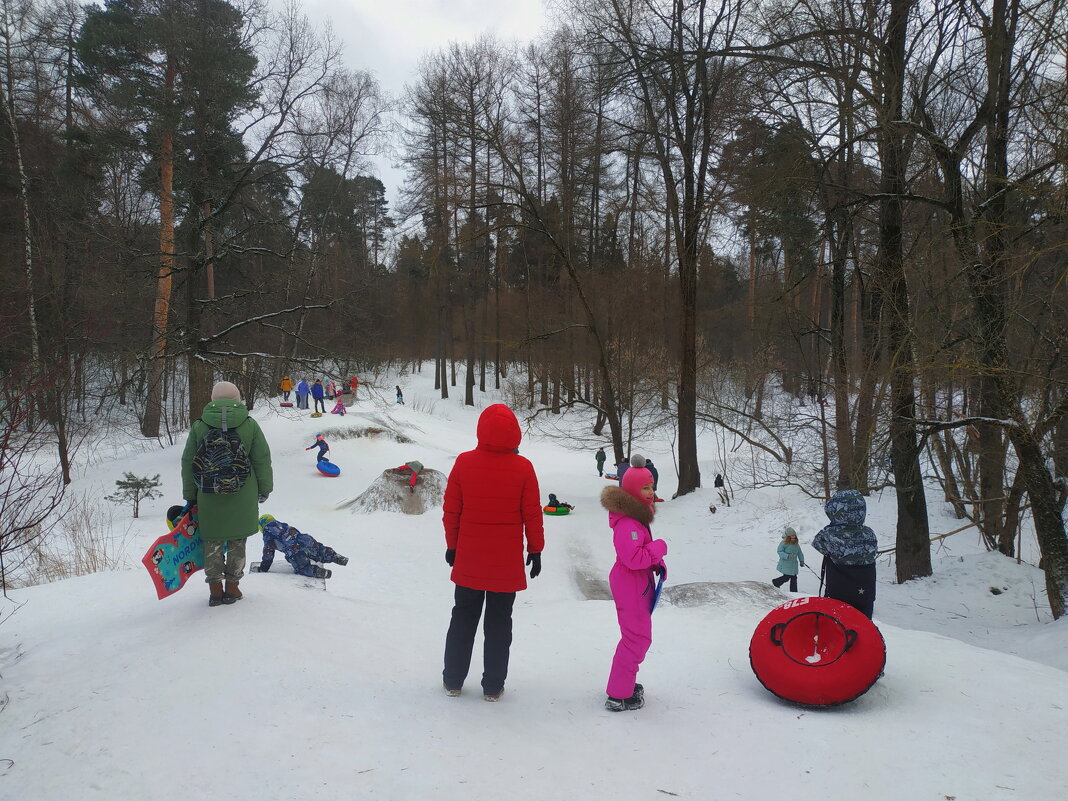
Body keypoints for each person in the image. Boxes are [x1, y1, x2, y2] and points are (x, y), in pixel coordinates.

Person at [442, 404, 543, 702]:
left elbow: (452, 511)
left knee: (463, 617)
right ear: (515, 432)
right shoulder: (523, 467)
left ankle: (453, 681)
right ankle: (492, 686)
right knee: (499, 623)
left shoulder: (464, 463)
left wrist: (452, 544)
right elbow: (532, 515)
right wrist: (535, 549)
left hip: (470, 558)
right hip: (505, 563)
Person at [181, 381, 273, 607]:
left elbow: (188, 462)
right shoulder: (250, 424)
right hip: (243, 491)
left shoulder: (200, 425)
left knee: (211, 540)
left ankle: (215, 589)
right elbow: (261, 459)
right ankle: (233, 587)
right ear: (237, 398)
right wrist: (264, 488)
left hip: (208, 493)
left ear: (213, 398)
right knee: (237, 540)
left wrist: (190, 495)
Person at [600, 460, 667, 711]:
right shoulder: (628, 523)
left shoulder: (636, 518)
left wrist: (657, 563)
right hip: (630, 584)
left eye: (652, 486)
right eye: (645, 488)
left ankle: (623, 684)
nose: (651, 492)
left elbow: (641, 556)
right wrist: (659, 547)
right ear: (631, 492)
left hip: (637, 582)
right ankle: (618, 695)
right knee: (636, 639)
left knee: (636, 637)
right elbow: (634, 558)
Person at [812, 489, 878, 618]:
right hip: (865, 593)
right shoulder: (869, 533)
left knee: (839, 627)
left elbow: (817, 544)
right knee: (863, 625)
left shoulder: (829, 534)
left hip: (839, 592)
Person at [256, 514, 348, 579]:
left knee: (302, 567)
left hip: (294, 551)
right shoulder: (282, 525)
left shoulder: (267, 535)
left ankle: (319, 572)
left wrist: (263, 568)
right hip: (306, 540)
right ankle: (336, 557)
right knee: (320, 551)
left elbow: (268, 554)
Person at [772, 527, 805, 593]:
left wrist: (801, 561)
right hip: (786, 564)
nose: (794, 536)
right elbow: (779, 551)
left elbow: (799, 553)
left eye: (794, 535)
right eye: (792, 535)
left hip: (793, 564)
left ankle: (794, 592)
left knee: (793, 578)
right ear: (788, 536)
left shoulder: (796, 544)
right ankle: (776, 582)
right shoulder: (784, 543)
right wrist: (787, 556)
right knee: (787, 577)